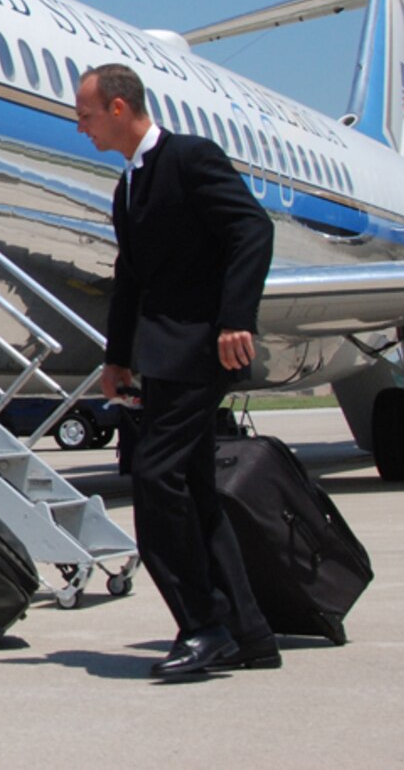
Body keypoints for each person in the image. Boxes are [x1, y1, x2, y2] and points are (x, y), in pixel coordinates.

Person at [74, 63, 281, 678]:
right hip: (162, 356)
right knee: (190, 491)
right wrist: (116, 358)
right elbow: (130, 278)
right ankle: (247, 633)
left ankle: (202, 625)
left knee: (156, 479)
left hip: (202, 349)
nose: (79, 125)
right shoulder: (128, 186)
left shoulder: (191, 158)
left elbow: (251, 229)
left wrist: (235, 318)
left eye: (85, 115)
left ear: (117, 108)